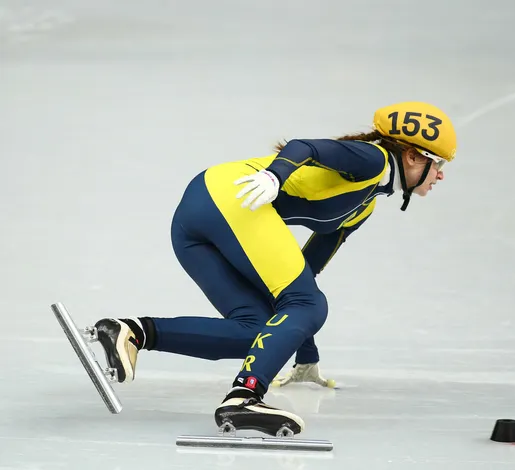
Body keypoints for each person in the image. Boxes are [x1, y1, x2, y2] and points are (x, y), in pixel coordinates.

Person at [93, 101, 457, 436]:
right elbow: (305, 146)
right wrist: (276, 176)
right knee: (309, 306)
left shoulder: (366, 204)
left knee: (266, 332)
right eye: (438, 164)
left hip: (198, 217)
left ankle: (132, 332)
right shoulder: (372, 160)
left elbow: (304, 274)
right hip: (230, 200)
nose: (440, 176)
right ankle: (244, 398)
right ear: (411, 156)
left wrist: (303, 351)